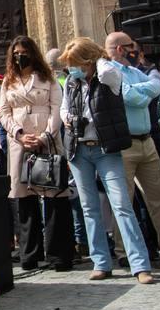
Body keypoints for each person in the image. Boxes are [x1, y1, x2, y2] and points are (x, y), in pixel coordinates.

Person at [59, 37, 154, 284]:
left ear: (88, 60)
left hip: (105, 149)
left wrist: (99, 58)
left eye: (75, 63)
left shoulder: (107, 76)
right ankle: (100, 261)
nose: (71, 68)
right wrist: (68, 118)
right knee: (89, 207)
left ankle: (140, 265)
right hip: (79, 150)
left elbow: (111, 74)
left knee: (121, 204)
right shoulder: (71, 81)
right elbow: (63, 107)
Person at [103, 32, 160, 266]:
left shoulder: (133, 72)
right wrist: (144, 91)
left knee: (158, 197)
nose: (136, 50)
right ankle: (123, 252)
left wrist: (141, 91)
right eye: (131, 46)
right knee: (124, 201)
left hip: (146, 140)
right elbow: (135, 97)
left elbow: (156, 87)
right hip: (125, 144)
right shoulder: (109, 73)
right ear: (121, 49)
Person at [0, 35, 73, 271]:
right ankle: (29, 254)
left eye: (24, 52)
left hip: (47, 141)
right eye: (16, 52)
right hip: (20, 143)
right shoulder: (8, 82)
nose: (20, 56)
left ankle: (59, 255)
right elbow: (3, 112)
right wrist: (19, 134)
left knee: (53, 196)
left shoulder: (48, 79)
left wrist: (45, 136)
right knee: (23, 199)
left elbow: (57, 109)